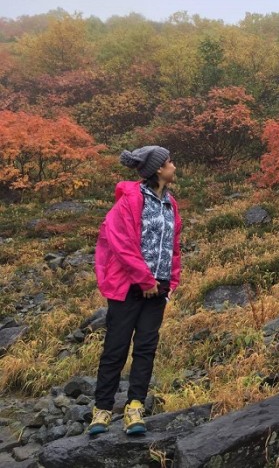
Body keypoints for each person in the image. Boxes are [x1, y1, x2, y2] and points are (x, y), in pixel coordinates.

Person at [87, 146, 181, 435]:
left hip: (158, 286)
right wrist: (145, 280)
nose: (174, 166)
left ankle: (134, 408)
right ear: (157, 170)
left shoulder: (170, 203)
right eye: (169, 162)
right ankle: (101, 410)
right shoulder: (129, 201)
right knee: (115, 347)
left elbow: (173, 246)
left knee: (145, 348)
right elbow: (122, 245)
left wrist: (170, 282)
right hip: (129, 287)